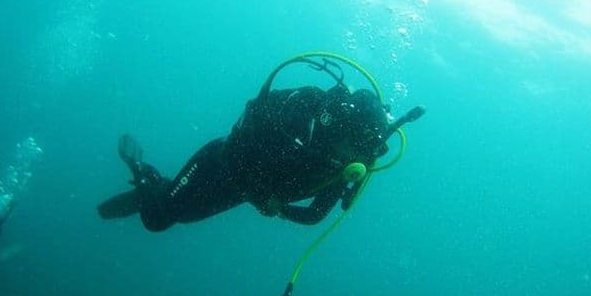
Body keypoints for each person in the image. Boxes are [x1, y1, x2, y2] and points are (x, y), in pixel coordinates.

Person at [98, 60, 425, 232]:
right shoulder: (304, 111)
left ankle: (158, 187)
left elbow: (315, 215)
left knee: (171, 218)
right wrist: (262, 197)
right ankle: (144, 175)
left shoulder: (354, 162)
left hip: (240, 193)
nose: (351, 160)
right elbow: (246, 131)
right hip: (221, 161)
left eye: (360, 154)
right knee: (157, 218)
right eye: (350, 147)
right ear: (341, 127)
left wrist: (278, 208)